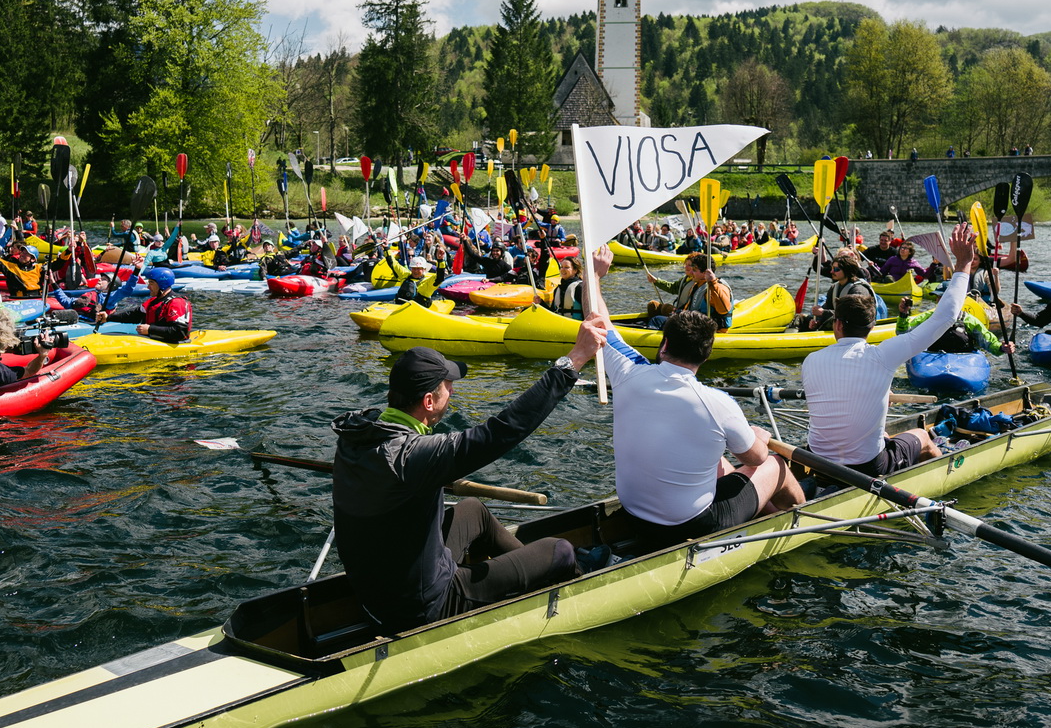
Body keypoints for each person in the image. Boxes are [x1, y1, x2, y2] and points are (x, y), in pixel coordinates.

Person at [331, 318, 607, 634]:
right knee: (561, 549)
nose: (452, 389)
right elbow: (503, 430)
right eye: (448, 386)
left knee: (472, 509)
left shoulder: (360, 434)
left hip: (379, 593)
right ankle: (578, 577)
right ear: (428, 401)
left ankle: (537, 573)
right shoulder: (414, 456)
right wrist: (572, 362)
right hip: (425, 607)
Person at [589, 249, 803, 546]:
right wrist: (759, 436)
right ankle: (805, 520)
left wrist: (597, 276)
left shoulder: (627, 372)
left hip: (634, 513)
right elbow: (756, 458)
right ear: (705, 355)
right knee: (776, 465)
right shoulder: (718, 402)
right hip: (690, 525)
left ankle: (763, 516)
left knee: (722, 466)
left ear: (663, 347)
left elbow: (600, 321)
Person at [801, 222, 979, 479]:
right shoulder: (882, 356)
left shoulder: (810, 360)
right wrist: (963, 264)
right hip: (866, 468)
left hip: (818, 463)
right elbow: (946, 316)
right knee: (922, 437)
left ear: (837, 324)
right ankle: (944, 479)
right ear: (871, 327)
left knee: (882, 434)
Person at [95, 267, 191, 342]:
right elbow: (132, 315)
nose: (148, 287)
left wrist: (150, 329)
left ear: (162, 285)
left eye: (151, 283)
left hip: (170, 343)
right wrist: (108, 318)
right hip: (153, 340)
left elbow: (180, 331)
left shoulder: (177, 303)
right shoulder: (153, 301)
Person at [644, 252, 731, 329]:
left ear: (705, 272)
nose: (691, 273)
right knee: (654, 307)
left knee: (657, 320)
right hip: (693, 322)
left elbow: (723, 310)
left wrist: (712, 282)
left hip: (705, 328)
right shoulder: (696, 285)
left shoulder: (717, 287)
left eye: (694, 270)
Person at [896, 295, 1004, 356]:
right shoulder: (928, 317)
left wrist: (1001, 348)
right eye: (938, 298)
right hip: (933, 356)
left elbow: (988, 342)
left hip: (963, 358)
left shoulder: (969, 320)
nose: (939, 301)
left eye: (942, 297)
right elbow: (903, 334)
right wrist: (903, 315)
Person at [799, 254, 873, 332]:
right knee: (800, 318)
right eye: (832, 268)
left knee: (835, 320)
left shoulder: (858, 290)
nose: (831, 271)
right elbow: (827, 307)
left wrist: (823, 313)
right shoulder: (834, 288)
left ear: (847, 270)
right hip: (838, 323)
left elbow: (852, 315)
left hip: (855, 329)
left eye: (836, 269)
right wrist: (818, 321)